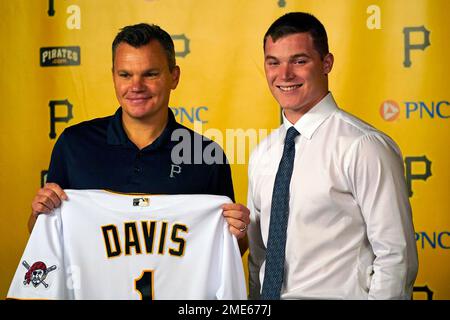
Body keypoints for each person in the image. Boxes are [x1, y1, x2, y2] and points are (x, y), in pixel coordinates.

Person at [29, 23, 250, 253]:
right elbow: (44, 237)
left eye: (150, 74)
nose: (136, 86)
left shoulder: (205, 155)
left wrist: (239, 231)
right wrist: (39, 214)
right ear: (113, 76)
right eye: (125, 74)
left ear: (174, 77)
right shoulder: (74, 144)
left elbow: (229, 249)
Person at [247, 12, 418, 299]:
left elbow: (396, 257)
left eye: (299, 61)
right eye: (273, 62)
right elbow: (259, 257)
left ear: (327, 63)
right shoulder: (262, 152)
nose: (284, 75)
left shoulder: (364, 146)